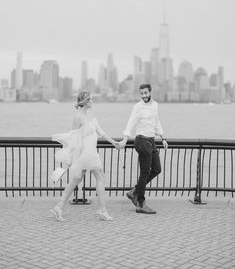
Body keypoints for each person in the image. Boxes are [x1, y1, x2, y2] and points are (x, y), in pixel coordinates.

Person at [50, 91, 120, 222]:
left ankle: (59, 207)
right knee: (99, 177)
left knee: (76, 180)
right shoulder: (77, 118)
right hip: (84, 154)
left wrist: (114, 142)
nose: (93, 101)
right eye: (91, 99)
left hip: (90, 153)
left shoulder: (91, 116)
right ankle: (102, 210)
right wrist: (70, 159)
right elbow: (73, 139)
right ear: (85, 101)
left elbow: (101, 132)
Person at [119, 83, 168, 214]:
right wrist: (125, 138)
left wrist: (163, 138)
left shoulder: (155, 105)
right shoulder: (138, 107)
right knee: (145, 173)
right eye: (141, 93)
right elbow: (131, 122)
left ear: (150, 92)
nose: (144, 96)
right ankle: (140, 203)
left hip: (152, 141)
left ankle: (134, 191)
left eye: (146, 93)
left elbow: (156, 122)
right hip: (141, 141)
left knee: (157, 169)